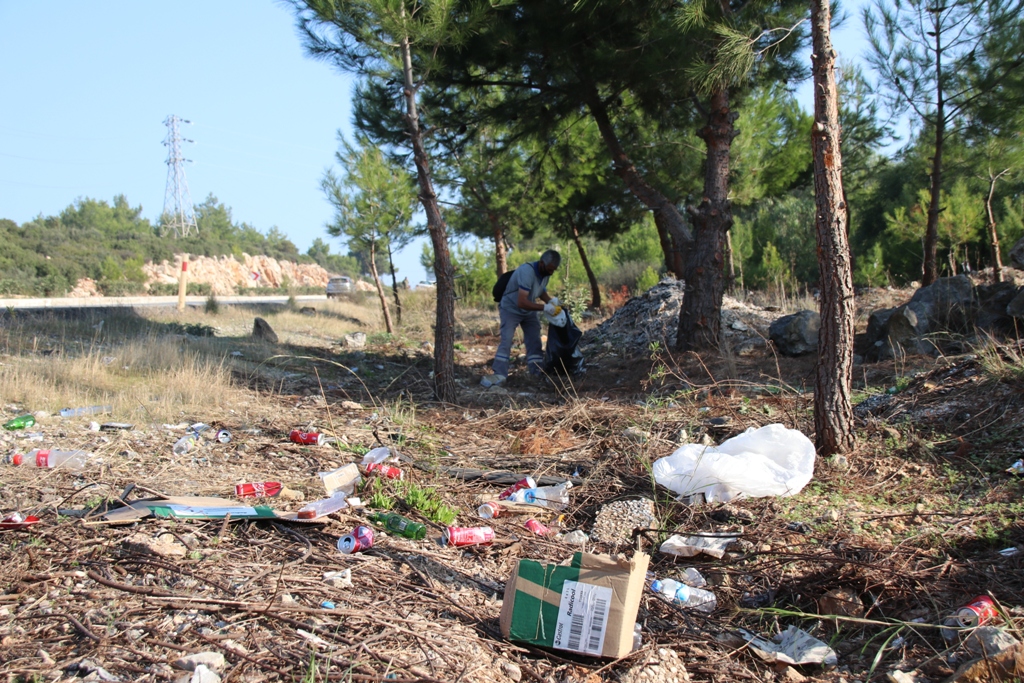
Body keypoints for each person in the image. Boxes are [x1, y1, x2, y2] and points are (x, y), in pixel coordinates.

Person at [481, 250, 561, 387]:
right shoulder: (526, 272)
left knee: (534, 340)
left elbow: (541, 291)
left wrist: (552, 303)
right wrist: (545, 308)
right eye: (549, 269)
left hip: (528, 310)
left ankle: (536, 372)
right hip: (511, 308)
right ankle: (499, 373)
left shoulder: (544, 273)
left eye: (554, 270)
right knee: (507, 339)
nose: (551, 273)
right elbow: (521, 302)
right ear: (542, 263)